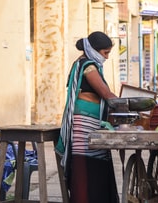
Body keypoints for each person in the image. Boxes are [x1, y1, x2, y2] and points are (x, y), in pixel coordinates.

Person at [56, 31, 120, 203]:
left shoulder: (89, 65)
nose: (106, 57)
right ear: (94, 50)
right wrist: (128, 103)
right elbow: (106, 94)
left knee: (96, 167)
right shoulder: (88, 66)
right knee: (85, 168)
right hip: (84, 124)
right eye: (105, 53)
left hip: (92, 122)